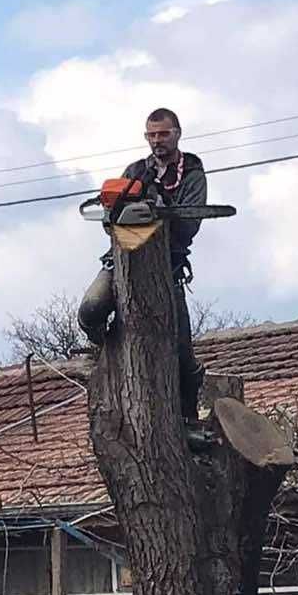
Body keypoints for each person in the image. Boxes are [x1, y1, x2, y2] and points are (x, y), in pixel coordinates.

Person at [78, 107, 207, 423]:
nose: (158, 140)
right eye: (152, 134)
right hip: (123, 258)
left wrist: (160, 208)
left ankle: (189, 419)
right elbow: (110, 218)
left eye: (163, 134)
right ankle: (106, 347)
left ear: (177, 133)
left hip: (168, 265)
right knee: (91, 309)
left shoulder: (191, 171)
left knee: (183, 355)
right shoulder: (135, 170)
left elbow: (190, 224)